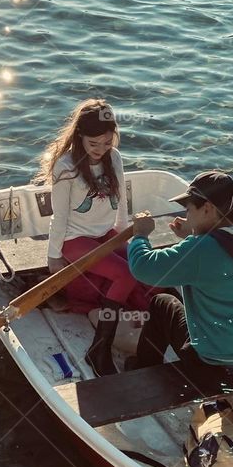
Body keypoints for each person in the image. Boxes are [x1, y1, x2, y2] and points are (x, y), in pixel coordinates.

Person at [125, 171, 233, 393]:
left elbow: (143, 268)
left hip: (219, 372)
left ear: (206, 208)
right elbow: (214, 251)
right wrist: (193, 233)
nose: (186, 216)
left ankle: (143, 368)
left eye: (189, 210)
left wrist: (140, 236)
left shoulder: (201, 250)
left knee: (161, 303)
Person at [38, 99, 152, 377]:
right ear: (80, 137)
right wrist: (54, 257)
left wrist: (127, 235)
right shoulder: (66, 168)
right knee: (125, 275)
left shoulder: (114, 157)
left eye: (106, 142)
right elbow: (60, 216)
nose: (101, 150)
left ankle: (149, 338)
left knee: (144, 270)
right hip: (74, 239)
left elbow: (121, 201)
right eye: (93, 144)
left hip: (107, 235)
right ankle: (98, 349)